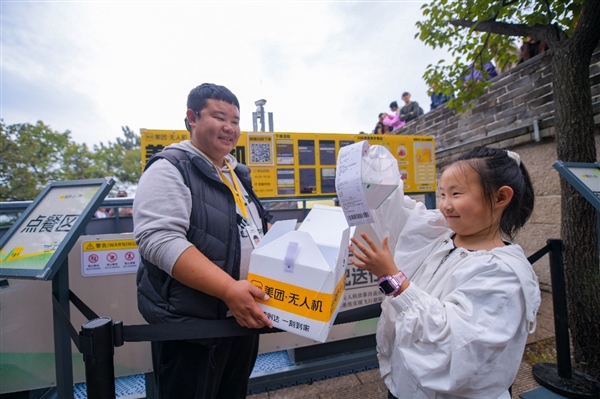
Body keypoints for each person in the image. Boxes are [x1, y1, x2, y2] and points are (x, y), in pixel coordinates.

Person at [347, 146, 540, 399]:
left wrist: (394, 280)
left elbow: (454, 347)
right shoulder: (442, 235)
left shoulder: (503, 273)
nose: (446, 205)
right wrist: (372, 168)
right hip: (403, 385)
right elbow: (395, 210)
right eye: (442, 194)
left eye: (456, 193)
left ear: (501, 197)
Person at [133, 83, 273, 399]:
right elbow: (158, 239)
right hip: (193, 326)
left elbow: (255, 228)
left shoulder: (235, 173)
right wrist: (228, 289)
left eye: (236, 120)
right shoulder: (170, 168)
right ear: (192, 118)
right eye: (220, 117)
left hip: (240, 315)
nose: (230, 128)